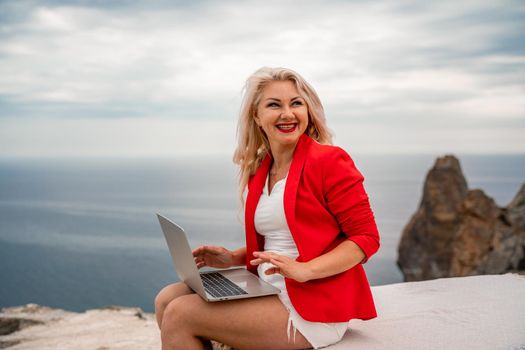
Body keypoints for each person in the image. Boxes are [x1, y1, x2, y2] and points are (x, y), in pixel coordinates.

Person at [154, 67, 380, 350]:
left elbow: (366, 238)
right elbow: (281, 242)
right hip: (268, 288)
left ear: (308, 112)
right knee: (166, 298)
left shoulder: (329, 161)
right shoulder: (261, 170)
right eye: (274, 105)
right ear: (257, 117)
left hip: (312, 305)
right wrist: (234, 258)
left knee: (180, 314)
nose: (287, 113)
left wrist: (305, 270)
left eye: (296, 103)